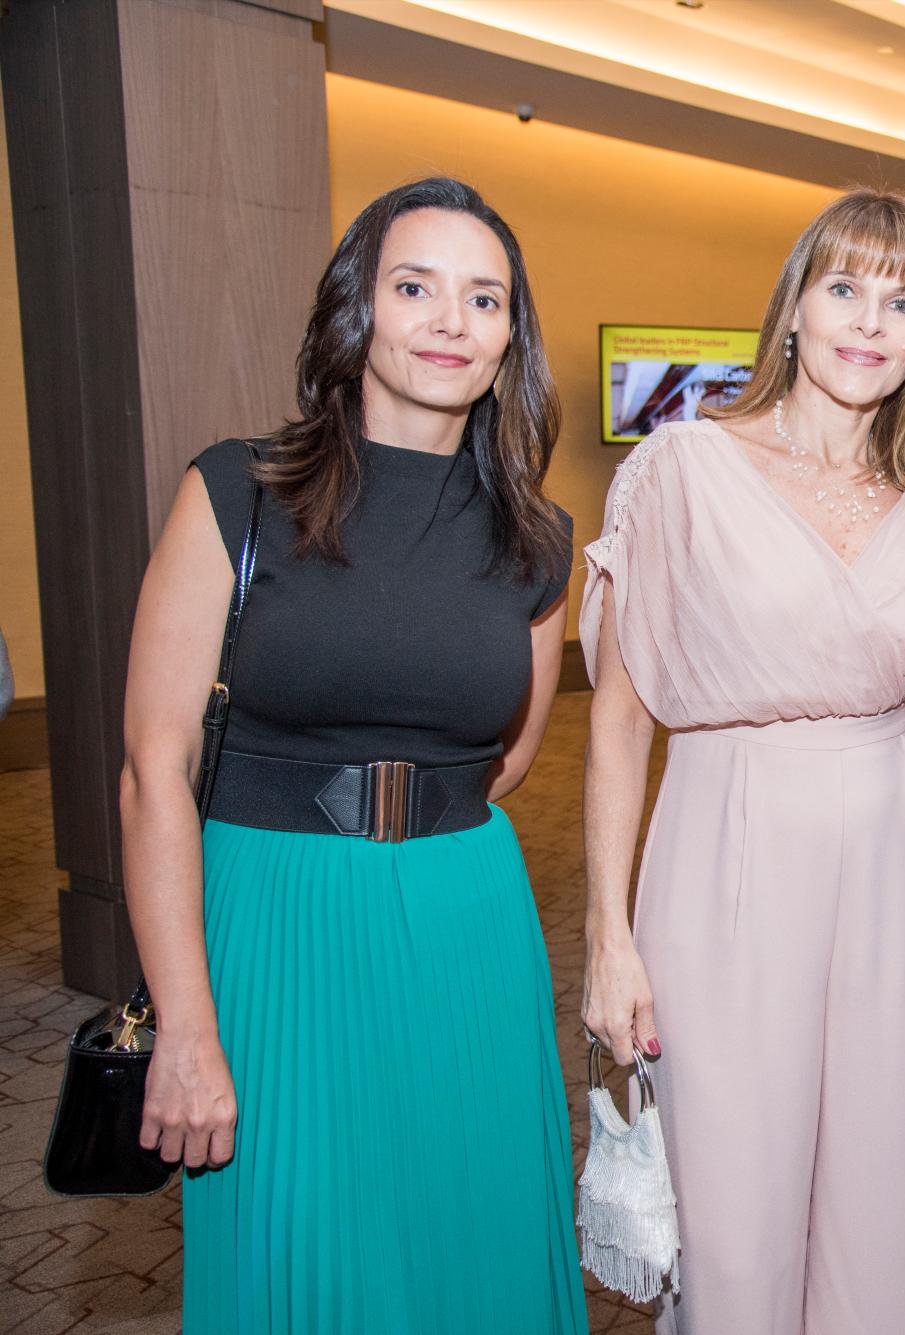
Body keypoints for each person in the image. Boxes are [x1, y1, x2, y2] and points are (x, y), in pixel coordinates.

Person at [121, 177, 583, 1333]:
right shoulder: (238, 490)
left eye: (485, 299)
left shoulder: (537, 537)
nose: (449, 320)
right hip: (274, 925)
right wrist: (185, 1027)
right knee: (304, 1258)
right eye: (414, 286)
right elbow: (153, 767)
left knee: (469, 1253)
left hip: (466, 921)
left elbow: (509, 758)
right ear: (355, 311)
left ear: (509, 336)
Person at [579, 188, 905, 1333]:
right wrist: (609, 939)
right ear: (794, 310)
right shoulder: (684, 471)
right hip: (725, 853)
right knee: (733, 1218)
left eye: (901, 301)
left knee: (877, 1206)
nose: (869, 321)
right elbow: (618, 719)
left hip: (891, 868)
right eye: (843, 286)